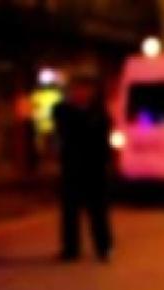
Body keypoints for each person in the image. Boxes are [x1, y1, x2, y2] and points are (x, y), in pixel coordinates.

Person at [52, 70, 113, 262]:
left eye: (85, 89)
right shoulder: (63, 110)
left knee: (98, 211)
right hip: (72, 167)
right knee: (70, 211)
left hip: (95, 168)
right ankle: (70, 249)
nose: (81, 93)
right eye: (76, 89)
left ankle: (103, 247)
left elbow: (102, 137)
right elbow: (65, 132)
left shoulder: (99, 112)